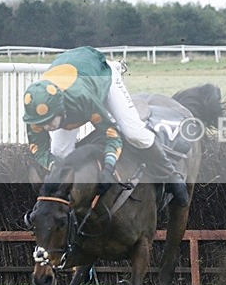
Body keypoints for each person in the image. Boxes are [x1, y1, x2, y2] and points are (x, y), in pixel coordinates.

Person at [22, 46, 190, 207]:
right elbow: (40, 150)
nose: (46, 127)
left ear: (61, 109)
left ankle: (170, 175)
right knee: (60, 153)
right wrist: (58, 168)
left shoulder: (82, 100)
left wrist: (109, 167)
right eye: (41, 123)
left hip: (101, 75)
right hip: (73, 75)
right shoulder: (36, 116)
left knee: (134, 133)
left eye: (50, 121)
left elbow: (112, 136)